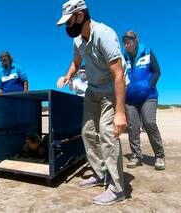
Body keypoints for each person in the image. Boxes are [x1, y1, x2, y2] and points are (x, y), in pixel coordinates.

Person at [56, 0, 127, 205]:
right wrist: (68, 75)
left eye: (69, 22)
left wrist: (120, 112)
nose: (68, 28)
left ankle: (117, 188)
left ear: (80, 15)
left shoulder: (105, 34)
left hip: (111, 90)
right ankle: (100, 173)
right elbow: (76, 62)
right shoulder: (77, 40)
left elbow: (119, 73)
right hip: (92, 90)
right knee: (87, 132)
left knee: (107, 133)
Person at [122, 30, 165, 170]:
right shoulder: (123, 56)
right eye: (125, 42)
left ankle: (159, 155)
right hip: (130, 98)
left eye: (129, 41)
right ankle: (136, 156)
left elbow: (157, 71)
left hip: (148, 96)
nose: (126, 45)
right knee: (133, 127)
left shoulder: (147, 52)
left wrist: (148, 85)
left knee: (148, 122)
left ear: (136, 41)